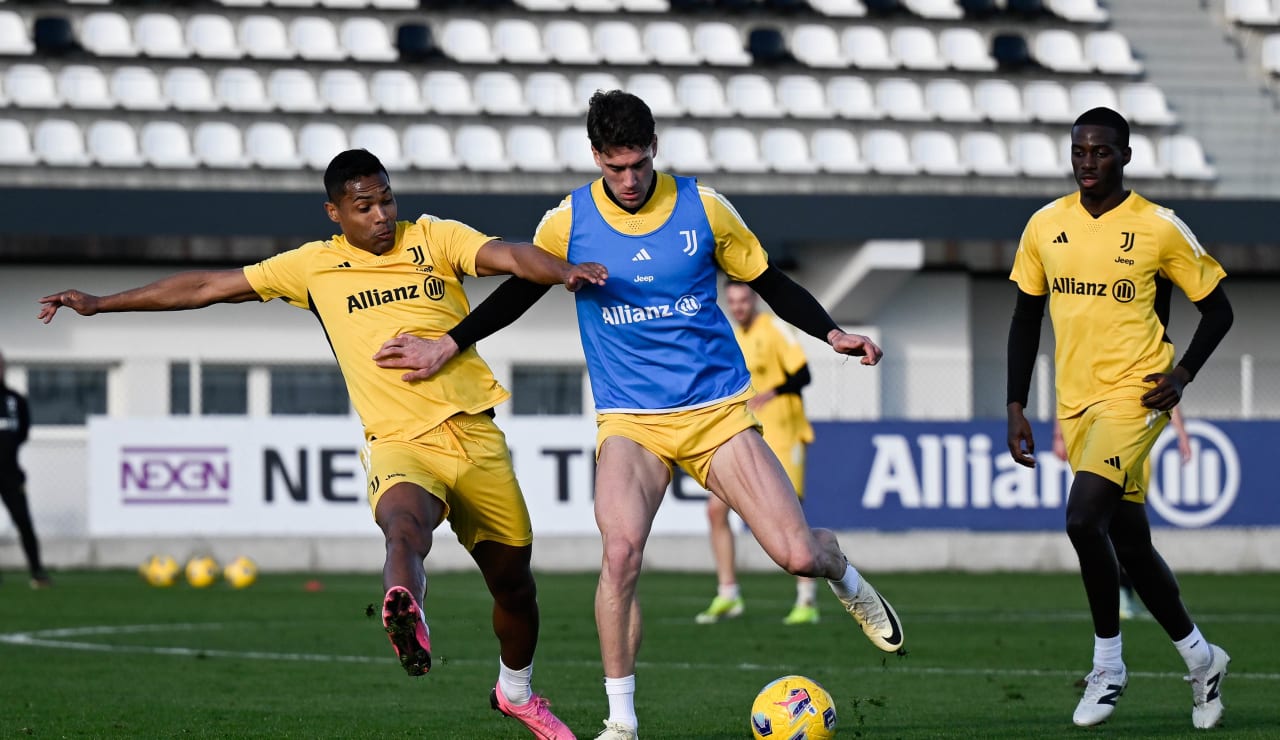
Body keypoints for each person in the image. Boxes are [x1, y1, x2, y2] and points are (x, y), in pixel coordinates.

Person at [371, 91, 904, 740]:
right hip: (630, 421)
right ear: (596, 156)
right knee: (619, 556)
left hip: (716, 413)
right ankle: (620, 722)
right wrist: (448, 343)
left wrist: (833, 333)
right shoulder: (570, 219)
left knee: (796, 555)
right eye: (614, 168)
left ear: (655, 150)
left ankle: (841, 571)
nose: (627, 181)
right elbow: (518, 289)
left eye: (638, 166)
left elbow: (769, 281)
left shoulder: (703, 208)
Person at [37, 150, 608, 740]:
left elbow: (511, 254)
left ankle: (514, 693)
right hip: (397, 442)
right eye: (364, 206)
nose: (381, 214)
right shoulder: (313, 266)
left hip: (476, 435)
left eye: (386, 199)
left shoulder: (435, 237)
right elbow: (208, 285)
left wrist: (559, 269)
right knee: (404, 526)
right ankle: (404, 606)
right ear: (335, 212)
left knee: (514, 585)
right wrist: (101, 303)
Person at [1006, 108, 1234, 729]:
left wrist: (1182, 375)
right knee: (1130, 544)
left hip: (1135, 398)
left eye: (1101, 152)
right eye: (1079, 151)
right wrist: (1017, 405)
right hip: (1074, 404)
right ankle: (1201, 658)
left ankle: (1108, 665)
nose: (1087, 161)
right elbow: (1026, 318)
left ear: (1125, 156)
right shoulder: (1043, 225)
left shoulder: (1159, 227)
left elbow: (1219, 311)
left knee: (1083, 520)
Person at [694, 281, 820, 626]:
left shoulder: (775, 329)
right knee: (715, 511)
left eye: (743, 300)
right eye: (732, 301)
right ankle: (728, 594)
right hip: (748, 436)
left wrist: (773, 393)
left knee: (791, 517)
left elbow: (804, 374)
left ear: (754, 300)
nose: (738, 307)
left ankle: (806, 600)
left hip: (784, 432)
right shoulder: (731, 336)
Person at [1054, 405, 1193, 620]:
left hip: (1136, 452)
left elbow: (1168, 395)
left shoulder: (1141, 373)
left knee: (1129, 534)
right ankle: (1125, 596)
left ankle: (1131, 596)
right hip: (1103, 450)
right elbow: (1068, 393)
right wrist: (1059, 436)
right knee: (1110, 530)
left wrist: (1182, 434)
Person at [0, 350, 52, 589]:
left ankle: (38, 572)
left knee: (23, 521)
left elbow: (22, 434)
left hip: (10, 473)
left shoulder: (15, 399)